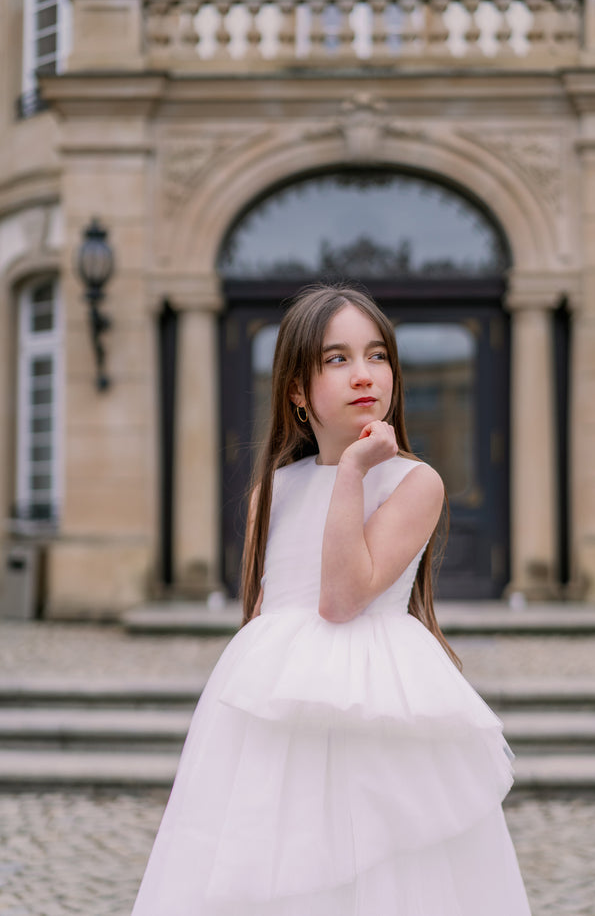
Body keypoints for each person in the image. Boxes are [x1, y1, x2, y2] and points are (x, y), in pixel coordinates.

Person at [131, 283, 531, 916]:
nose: (364, 374)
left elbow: (343, 598)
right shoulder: (274, 489)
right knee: (276, 866)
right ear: (298, 388)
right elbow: (267, 605)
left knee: (384, 871)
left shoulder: (415, 482)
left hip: (379, 696)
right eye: (336, 359)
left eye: (377, 356)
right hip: (278, 699)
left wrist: (351, 471)